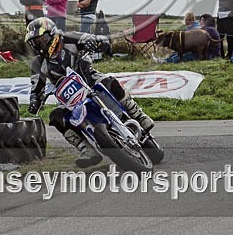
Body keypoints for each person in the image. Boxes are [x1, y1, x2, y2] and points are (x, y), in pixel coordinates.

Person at [24, 17, 154, 167]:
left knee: (110, 82)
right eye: (35, 42)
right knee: (56, 116)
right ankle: (86, 150)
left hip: (90, 81)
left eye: (41, 39)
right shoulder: (38, 63)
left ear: (52, 33)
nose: (39, 45)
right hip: (70, 99)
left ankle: (138, 115)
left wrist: (96, 41)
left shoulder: (69, 38)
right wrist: (34, 100)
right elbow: (36, 86)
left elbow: (95, 39)